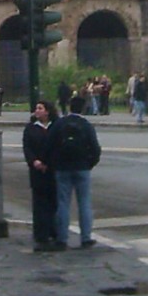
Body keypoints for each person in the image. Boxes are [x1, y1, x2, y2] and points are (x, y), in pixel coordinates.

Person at [47, 94, 102, 250]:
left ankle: (62, 238)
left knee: (63, 203)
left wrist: (55, 163)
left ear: (69, 107)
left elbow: (49, 145)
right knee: (84, 202)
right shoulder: (86, 125)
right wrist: (89, 164)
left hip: (62, 168)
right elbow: (96, 149)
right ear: (83, 108)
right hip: (82, 167)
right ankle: (86, 238)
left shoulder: (59, 124)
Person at [23, 100, 59, 252]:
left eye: (40, 108)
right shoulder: (31, 129)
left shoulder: (56, 127)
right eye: (36, 108)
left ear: (47, 111)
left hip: (52, 170)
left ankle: (54, 231)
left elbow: (58, 147)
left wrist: (48, 163)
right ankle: (40, 233)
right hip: (37, 171)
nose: (36, 111)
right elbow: (27, 148)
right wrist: (34, 162)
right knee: (39, 203)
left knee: (53, 202)